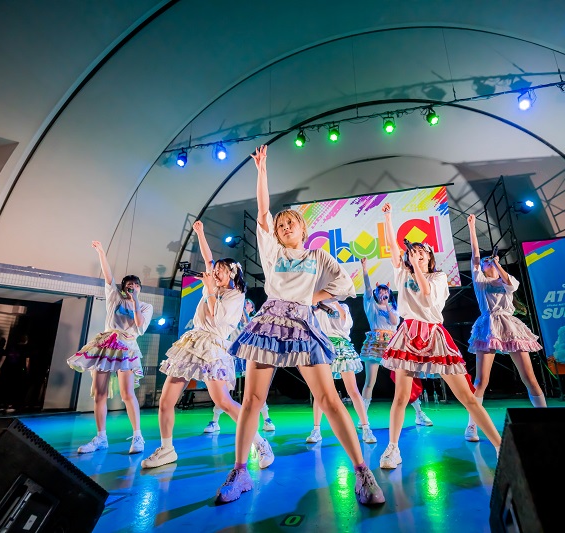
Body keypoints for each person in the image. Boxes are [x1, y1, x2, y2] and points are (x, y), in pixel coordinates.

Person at [215, 145, 385, 506]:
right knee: (252, 400)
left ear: (303, 227)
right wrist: (262, 170)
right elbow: (263, 210)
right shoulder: (272, 251)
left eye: (290, 221)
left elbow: (345, 286)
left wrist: (312, 297)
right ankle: (240, 472)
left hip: (304, 325)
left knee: (329, 399)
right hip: (269, 323)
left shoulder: (318, 256)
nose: (284, 225)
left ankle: (362, 473)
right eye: (280, 224)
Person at [378, 202, 502, 469]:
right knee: (400, 397)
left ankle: (500, 445)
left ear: (429, 258)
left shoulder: (438, 278)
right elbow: (392, 248)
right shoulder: (403, 273)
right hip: (407, 335)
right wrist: (388, 218)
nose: (417, 255)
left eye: (422, 252)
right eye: (413, 252)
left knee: (467, 397)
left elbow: (425, 293)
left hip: (434, 336)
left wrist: (416, 267)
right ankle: (393, 449)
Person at [142, 221, 274, 469]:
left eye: (220, 270)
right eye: (215, 271)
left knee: (223, 401)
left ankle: (260, 442)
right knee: (166, 401)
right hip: (192, 342)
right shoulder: (213, 285)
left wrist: (210, 290)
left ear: (232, 274)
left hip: (213, 346)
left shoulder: (235, 295)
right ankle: (167, 449)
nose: (214, 273)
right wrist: (200, 233)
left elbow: (217, 317)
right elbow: (208, 258)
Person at [464, 214, 546, 442]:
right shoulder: (480, 281)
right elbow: (475, 255)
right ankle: (472, 425)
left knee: (529, 377)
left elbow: (510, 284)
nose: (487, 263)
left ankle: (545, 419)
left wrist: (497, 264)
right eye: (486, 262)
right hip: (488, 326)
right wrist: (472, 227)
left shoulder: (508, 280)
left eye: (490, 261)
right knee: (481, 381)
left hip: (510, 325)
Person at [67, 241, 152, 454]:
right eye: (129, 285)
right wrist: (102, 253)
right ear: (123, 288)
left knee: (127, 393)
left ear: (140, 288)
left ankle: (138, 437)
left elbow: (140, 325)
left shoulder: (145, 306)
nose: (132, 287)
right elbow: (108, 276)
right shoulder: (114, 297)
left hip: (126, 347)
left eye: (136, 285)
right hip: (106, 346)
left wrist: (135, 300)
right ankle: (101, 437)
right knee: (100, 393)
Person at [358, 257, 434, 428]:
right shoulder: (370, 305)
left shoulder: (393, 308)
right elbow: (368, 288)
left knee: (405, 380)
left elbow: (394, 322)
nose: (382, 293)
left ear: (389, 293)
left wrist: (387, 306)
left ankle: (419, 414)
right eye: (379, 291)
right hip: (375, 344)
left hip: (393, 344)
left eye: (385, 291)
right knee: (369, 382)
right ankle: (363, 419)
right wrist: (364, 270)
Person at [307, 300, 377, 444]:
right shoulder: (316, 306)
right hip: (323, 346)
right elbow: (310, 322)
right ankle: (316, 430)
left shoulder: (342, 306)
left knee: (353, 390)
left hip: (341, 346)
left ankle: (366, 428)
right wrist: (318, 307)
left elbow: (346, 323)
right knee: (320, 392)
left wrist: (334, 303)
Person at [205, 298, 277, 433]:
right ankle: (214, 421)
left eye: (248, 302)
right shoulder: (232, 318)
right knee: (224, 388)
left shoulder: (254, 319)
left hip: (247, 357)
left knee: (256, 389)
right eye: (245, 301)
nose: (245, 303)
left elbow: (248, 325)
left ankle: (267, 419)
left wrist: (243, 310)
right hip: (231, 357)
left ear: (252, 308)